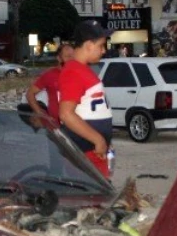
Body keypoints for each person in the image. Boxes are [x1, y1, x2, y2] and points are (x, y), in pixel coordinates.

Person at [58, 21, 113, 178]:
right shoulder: (73, 72)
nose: (103, 51)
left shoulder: (82, 70)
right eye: (101, 45)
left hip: (91, 152)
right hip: (84, 152)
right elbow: (66, 114)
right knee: (90, 199)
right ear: (89, 45)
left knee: (98, 197)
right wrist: (98, 140)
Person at [25, 42, 73, 129]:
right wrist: (39, 112)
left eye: (73, 57)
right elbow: (30, 94)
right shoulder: (50, 74)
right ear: (59, 58)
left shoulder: (77, 74)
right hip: (55, 127)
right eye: (68, 56)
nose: (71, 59)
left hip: (75, 125)